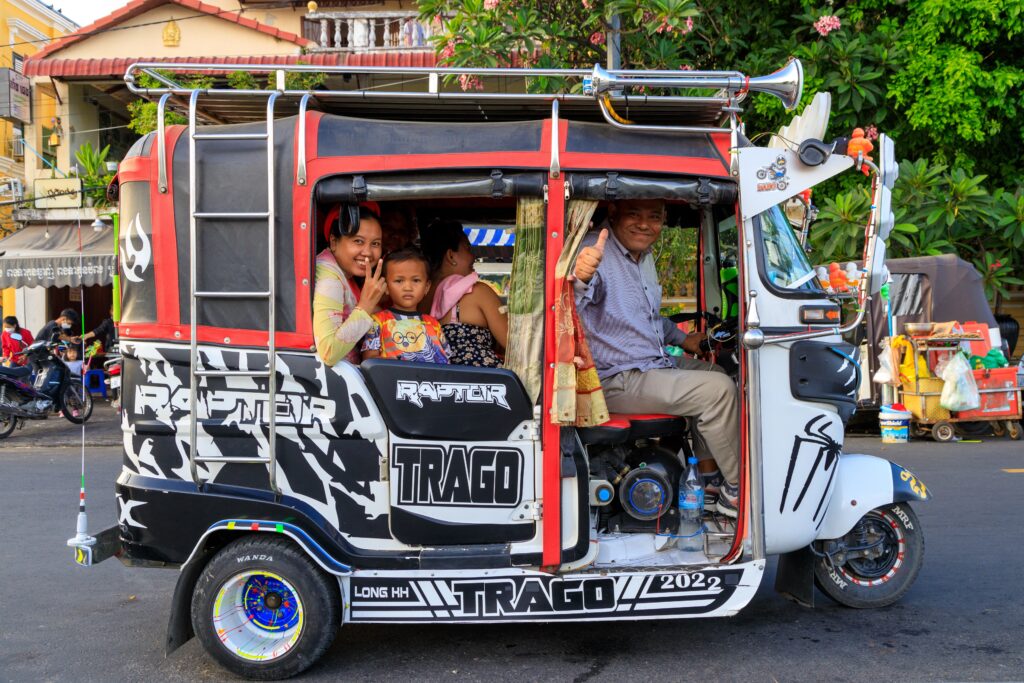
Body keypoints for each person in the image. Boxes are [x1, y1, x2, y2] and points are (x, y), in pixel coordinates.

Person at [573, 199, 740, 517]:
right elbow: (567, 306)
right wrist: (579, 278)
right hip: (614, 377)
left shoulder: (641, 257)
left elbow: (646, 317)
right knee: (717, 391)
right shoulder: (594, 249)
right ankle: (736, 492)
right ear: (614, 214)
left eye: (654, 217)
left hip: (649, 363)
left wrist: (684, 339)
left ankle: (707, 478)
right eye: (634, 214)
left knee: (716, 371)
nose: (644, 224)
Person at [421, 220, 508, 367]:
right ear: (451, 256)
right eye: (467, 249)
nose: (473, 256)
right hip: (480, 382)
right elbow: (513, 344)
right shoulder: (478, 292)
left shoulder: (418, 297)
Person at [313, 203, 387, 366]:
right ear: (334, 242)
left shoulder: (347, 274)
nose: (368, 252)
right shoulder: (329, 277)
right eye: (358, 241)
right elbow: (329, 352)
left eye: (375, 244)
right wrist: (366, 306)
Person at [362, 248, 451, 364]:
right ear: (386, 287)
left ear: (427, 287)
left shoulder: (433, 324)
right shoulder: (377, 321)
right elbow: (369, 360)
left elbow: (446, 361)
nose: (408, 287)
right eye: (399, 281)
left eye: (416, 280)